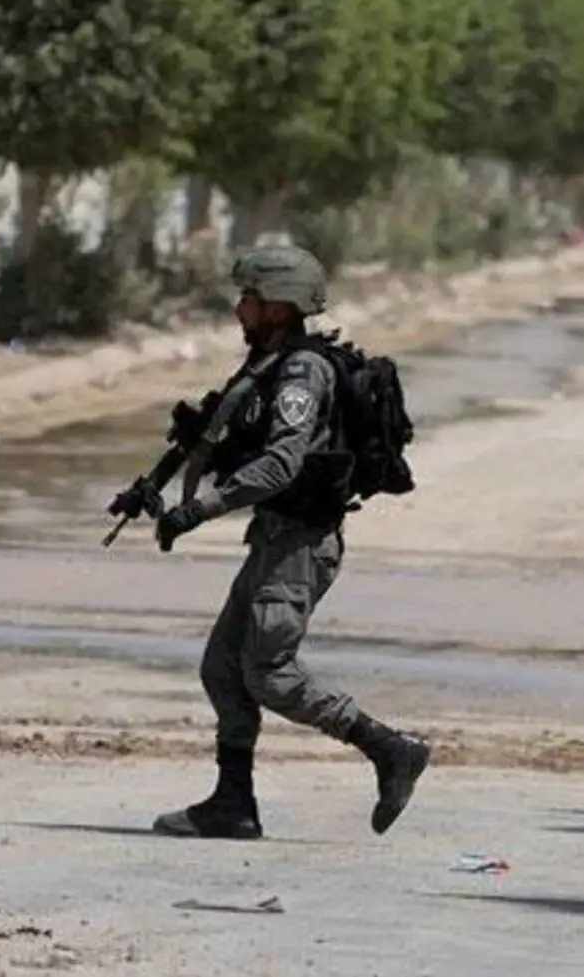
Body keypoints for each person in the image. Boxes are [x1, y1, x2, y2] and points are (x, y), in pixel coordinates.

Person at [129, 245, 432, 840]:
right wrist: (156, 487)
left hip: (299, 547)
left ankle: (389, 749)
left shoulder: (301, 374)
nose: (239, 307)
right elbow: (225, 436)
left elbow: (281, 464)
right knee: (223, 669)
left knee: (268, 673)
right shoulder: (267, 364)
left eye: (250, 297)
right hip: (274, 541)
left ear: (278, 306)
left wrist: (198, 510)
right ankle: (232, 804)